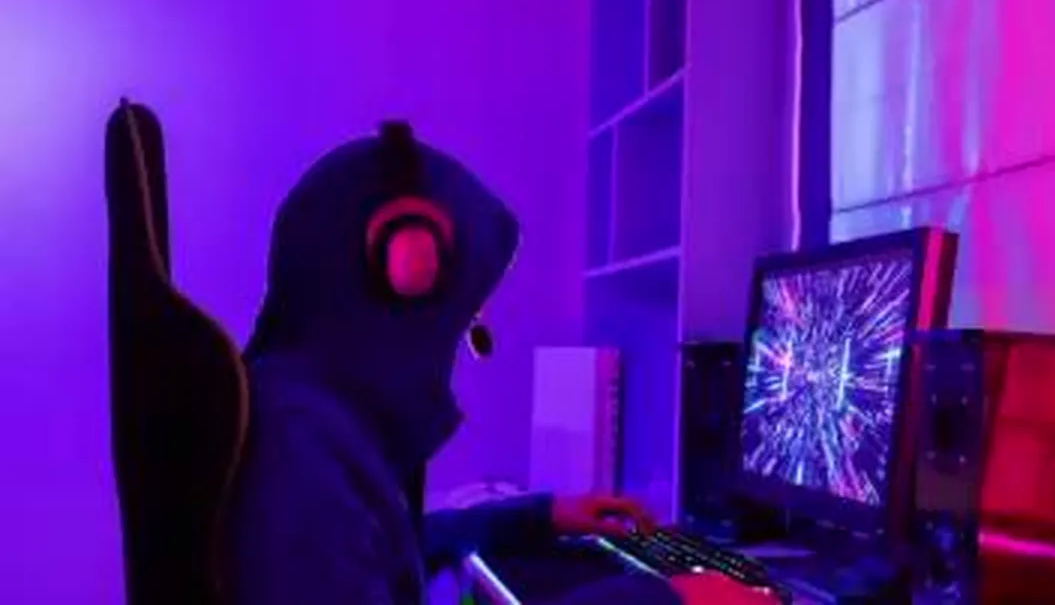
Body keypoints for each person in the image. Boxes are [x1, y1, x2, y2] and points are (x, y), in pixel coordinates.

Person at [225, 123, 777, 604]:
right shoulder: (297, 453)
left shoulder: (305, 415)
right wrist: (667, 600)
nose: (454, 343)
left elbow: (389, 548)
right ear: (404, 270)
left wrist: (541, 516)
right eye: (458, 315)